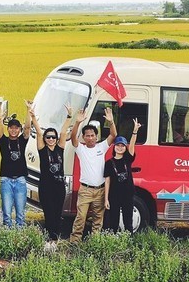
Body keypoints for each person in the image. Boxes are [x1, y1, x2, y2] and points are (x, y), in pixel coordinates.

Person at [69, 105, 117, 243]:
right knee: (81, 217)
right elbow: (73, 137)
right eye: (87, 136)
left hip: (100, 190)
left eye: (92, 135)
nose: (90, 138)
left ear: (96, 137)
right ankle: (75, 242)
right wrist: (78, 122)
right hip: (85, 191)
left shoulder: (101, 147)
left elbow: (113, 135)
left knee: (98, 219)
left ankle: (94, 243)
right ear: (83, 137)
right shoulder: (81, 149)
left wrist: (111, 121)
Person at [29, 104, 68, 241]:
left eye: (53, 137)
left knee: (58, 213)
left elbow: (64, 133)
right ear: (45, 139)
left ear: (56, 139)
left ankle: (55, 238)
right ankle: (49, 237)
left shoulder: (60, 149)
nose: (51, 139)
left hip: (59, 186)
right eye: (48, 137)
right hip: (46, 187)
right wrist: (33, 116)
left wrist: (69, 116)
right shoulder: (42, 150)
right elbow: (39, 133)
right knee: (48, 213)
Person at [0, 104, 30, 229]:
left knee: (20, 213)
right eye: (11, 128)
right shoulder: (3, 141)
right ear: (8, 129)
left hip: (20, 180)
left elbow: (28, 128)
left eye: (16, 128)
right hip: (6, 180)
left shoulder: (22, 141)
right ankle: (7, 235)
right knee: (7, 212)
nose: (14, 130)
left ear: (19, 129)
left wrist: (29, 110)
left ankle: (19, 237)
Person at [104, 120, 142, 234]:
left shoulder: (127, 160)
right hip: (114, 195)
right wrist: (106, 199)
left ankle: (128, 243)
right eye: (118, 145)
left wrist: (134, 132)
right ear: (114, 147)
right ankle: (113, 243)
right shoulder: (109, 163)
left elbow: (132, 146)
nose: (120, 148)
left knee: (128, 221)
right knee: (113, 222)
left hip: (128, 194)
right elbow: (107, 181)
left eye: (122, 146)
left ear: (125, 148)